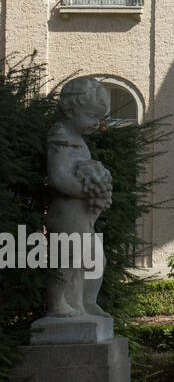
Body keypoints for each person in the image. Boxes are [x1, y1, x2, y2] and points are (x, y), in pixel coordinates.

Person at [44, 77, 113, 318]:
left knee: (95, 258)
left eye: (99, 118)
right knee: (68, 258)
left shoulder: (79, 140)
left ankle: (86, 301)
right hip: (67, 213)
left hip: (82, 214)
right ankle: (56, 304)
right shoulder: (60, 135)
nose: (97, 123)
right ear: (71, 109)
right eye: (92, 116)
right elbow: (59, 176)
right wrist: (88, 190)